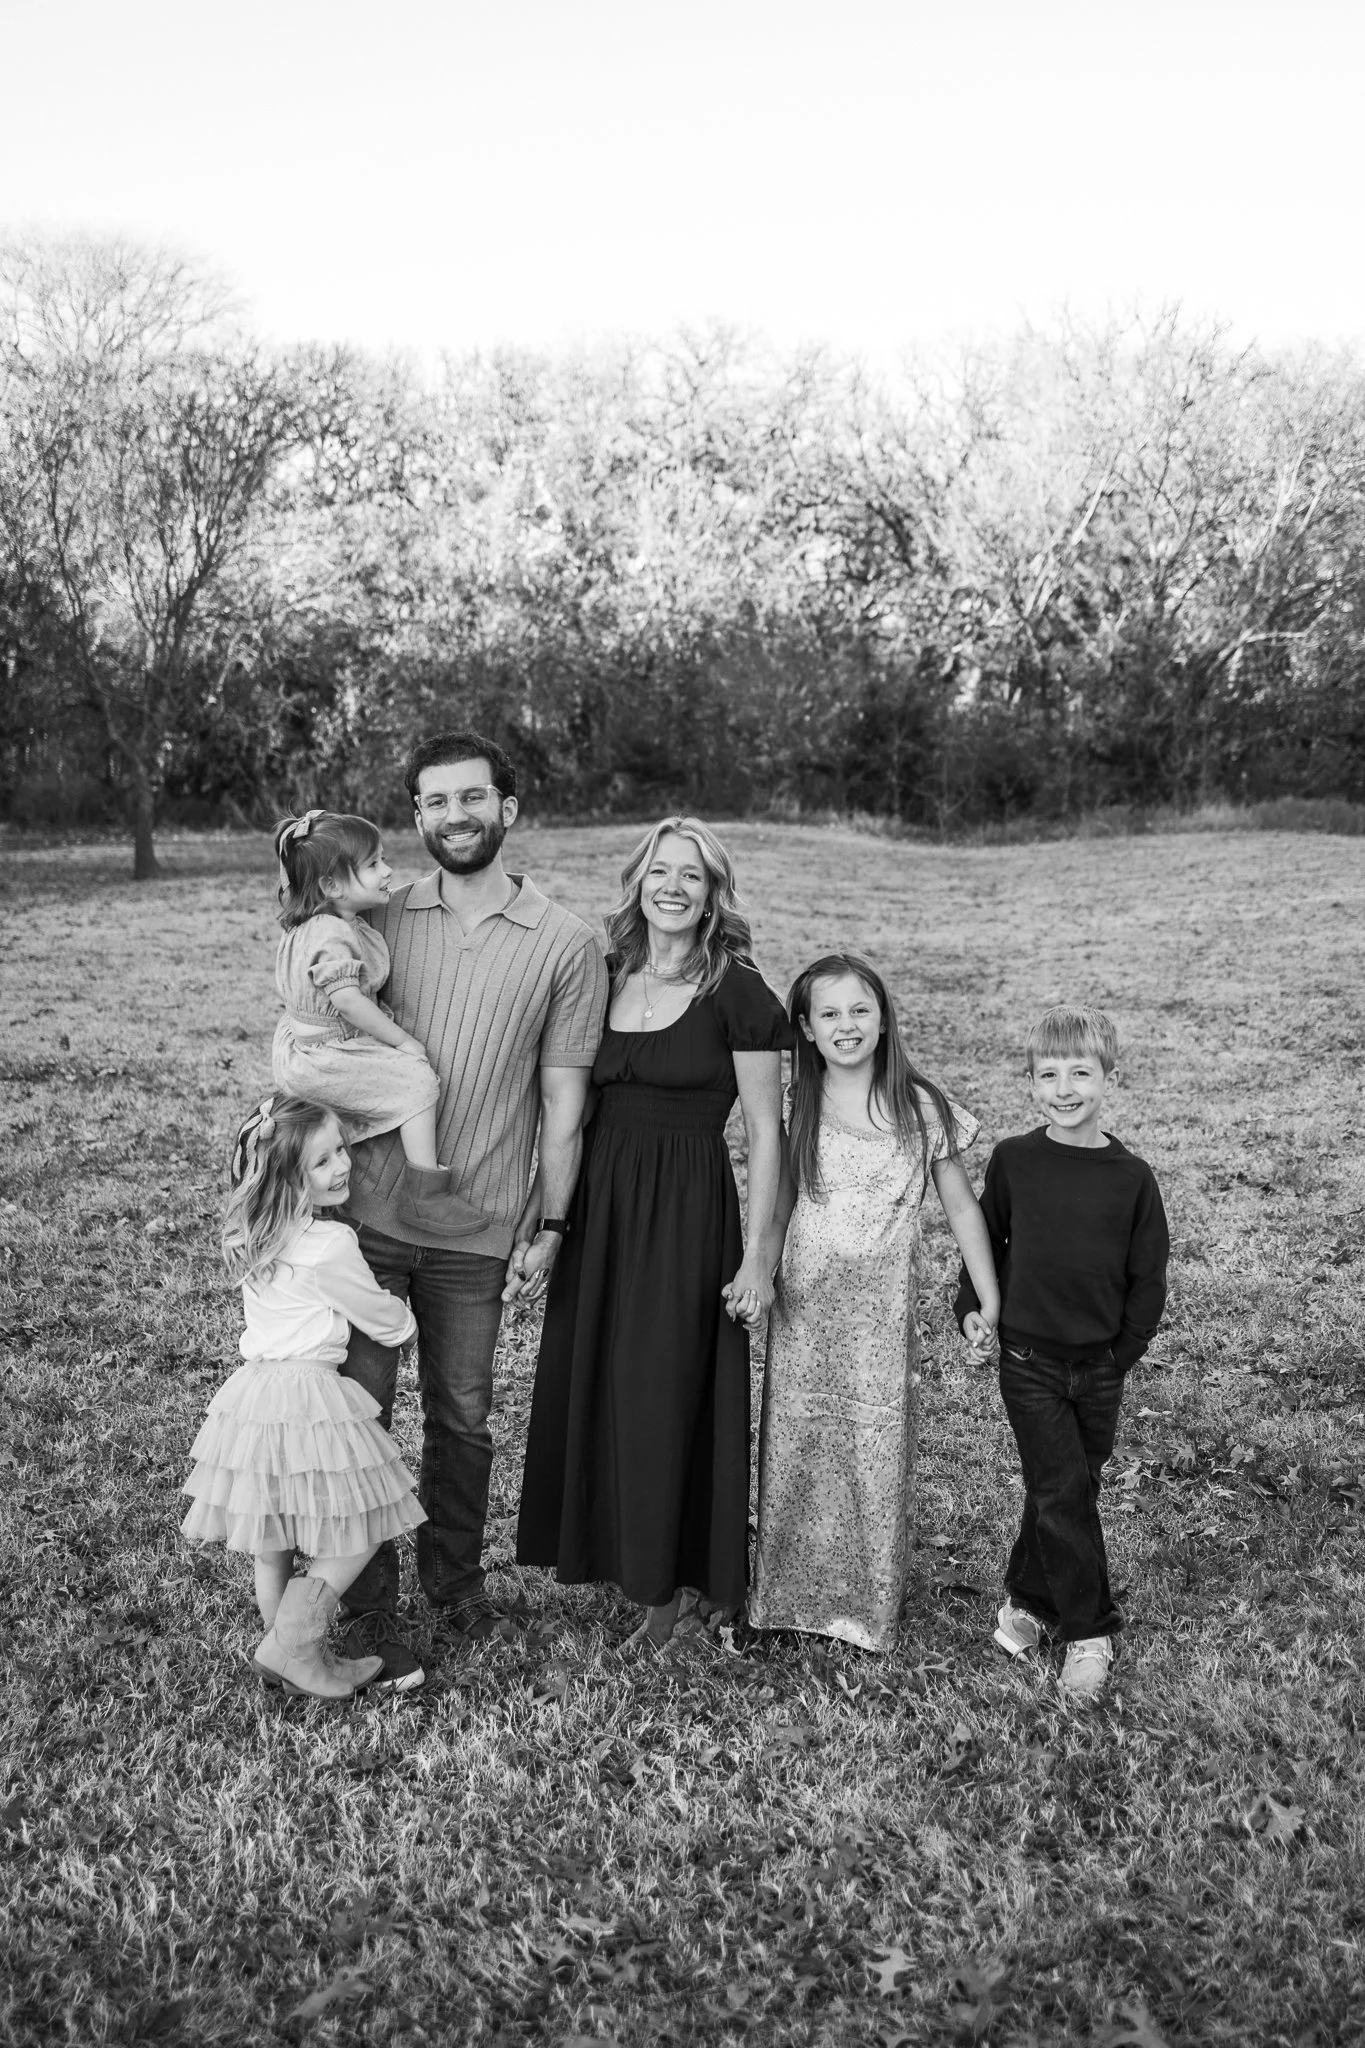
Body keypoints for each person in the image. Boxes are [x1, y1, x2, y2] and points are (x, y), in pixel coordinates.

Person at [338, 730, 609, 1685]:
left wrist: (552, 1220)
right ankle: (364, 1601)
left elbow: (565, 1104)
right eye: (435, 801)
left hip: (479, 1221)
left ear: (508, 808)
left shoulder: (567, 943)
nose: (453, 816)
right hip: (366, 1216)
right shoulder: (379, 917)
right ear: (416, 816)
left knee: (462, 1418)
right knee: (358, 1412)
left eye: (471, 797)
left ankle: (454, 1585)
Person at [515, 816, 791, 1649]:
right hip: (599, 1209)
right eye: (660, 871)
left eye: (691, 876)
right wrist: (545, 1214)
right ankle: (622, 1559)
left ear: (712, 897)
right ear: (637, 882)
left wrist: (758, 1257)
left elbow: (766, 1134)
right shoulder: (601, 975)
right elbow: (568, 1108)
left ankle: (673, 1591)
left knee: (663, 1389)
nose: (672, 887)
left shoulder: (737, 990)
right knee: (599, 1380)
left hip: (683, 1212)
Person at [747, 953, 999, 1652]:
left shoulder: (920, 1105)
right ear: (806, 1028)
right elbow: (779, 1206)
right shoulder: (798, 1102)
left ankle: (865, 1606)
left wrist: (987, 1294)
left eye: (859, 1009)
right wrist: (758, 1273)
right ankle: (786, 1596)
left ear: (883, 1018)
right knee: (798, 1441)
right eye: (828, 1013)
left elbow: (961, 1207)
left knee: (873, 1447)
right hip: (805, 1307)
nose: (846, 1024)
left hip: (880, 1316)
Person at [954, 1004, 1169, 1702]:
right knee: (1059, 1490)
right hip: (1028, 1363)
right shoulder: (1015, 1160)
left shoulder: (1131, 1178)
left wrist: (1124, 1352)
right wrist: (971, 1307)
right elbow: (985, 1241)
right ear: (1029, 1083)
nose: (1064, 1088)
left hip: (1100, 1367)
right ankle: (1088, 1630)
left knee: (1070, 1488)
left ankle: (1028, 1595)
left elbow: (1148, 1276)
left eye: (1080, 1072)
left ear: (1111, 1078)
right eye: (1048, 1074)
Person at [180, 1095, 426, 1699]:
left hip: (254, 1398)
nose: (342, 1165)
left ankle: (286, 1657)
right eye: (323, 1161)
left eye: (341, 1150)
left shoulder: (252, 1235)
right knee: (365, 1523)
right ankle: (293, 1647)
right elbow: (381, 1318)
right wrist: (406, 1325)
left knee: (273, 1542)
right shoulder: (331, 1243)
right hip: (309, 1394)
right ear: (291, 1179)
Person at [271, 808, 474, 1238]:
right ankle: (424, 1193)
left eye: (383, 860)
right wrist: (402, 1042)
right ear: (332, 886)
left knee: (327, 1131)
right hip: (328, 1052)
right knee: (417, 1082)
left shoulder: (314, 925)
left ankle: (308, 1200)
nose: (388, 871)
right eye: (373, 864)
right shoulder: (331, 932)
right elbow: (347, 1002)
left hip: (303, 1049)